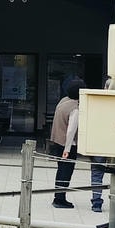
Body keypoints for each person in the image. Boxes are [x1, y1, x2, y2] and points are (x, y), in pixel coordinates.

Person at [49, 79, 81, 207]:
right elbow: (71, 130)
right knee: (66, 171)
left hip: (57, 140)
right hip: (68, 144)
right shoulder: (75, 108)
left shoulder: (63, 101)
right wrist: (67, 149)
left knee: (61, 169)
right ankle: (60, 199)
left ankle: (58, 196)